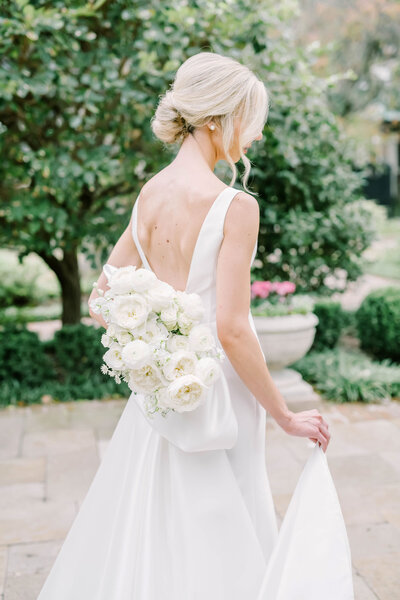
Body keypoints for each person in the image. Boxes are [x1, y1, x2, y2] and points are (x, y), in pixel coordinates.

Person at [37, 51, 353, 599]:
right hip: (221, 392)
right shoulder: (235, 206)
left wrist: (157, 351)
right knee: (220, 521)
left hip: (163, 391)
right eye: (248, 122)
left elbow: (100, 299)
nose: (252, 138)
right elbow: (231, 328)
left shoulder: (149, 194)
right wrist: (284, 416)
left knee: (151, 515)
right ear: (215, 119)